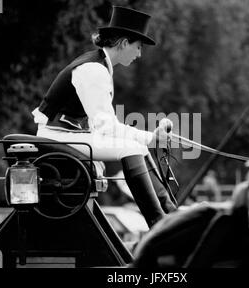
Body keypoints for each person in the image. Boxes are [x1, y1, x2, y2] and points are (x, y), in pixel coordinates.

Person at [31, 6, 177, 228]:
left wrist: (150, 140)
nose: (139, 54)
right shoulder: (93, 70)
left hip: (68, 135)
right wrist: (149, 138)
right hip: (57, 138)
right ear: (124, 42)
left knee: (137, 147)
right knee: (131, 148)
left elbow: (105, 126)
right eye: (138, 47)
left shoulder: (100, 66)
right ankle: (159, 223)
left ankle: (170, 214)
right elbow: (106, 128)